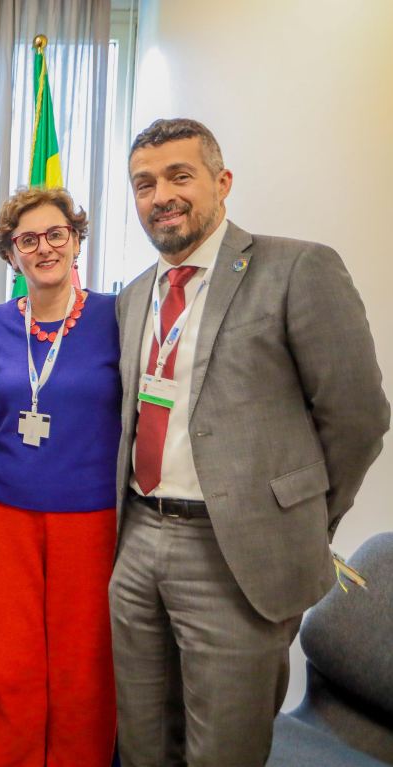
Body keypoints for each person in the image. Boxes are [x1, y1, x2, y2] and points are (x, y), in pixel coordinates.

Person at [111, 118, 389, 767]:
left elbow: (357, 417)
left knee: (224, 749)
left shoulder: (295, 268)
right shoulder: (134, 296)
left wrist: (299, 518)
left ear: (222, 181)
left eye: (180, 176)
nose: (161, 196)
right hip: (137, 540)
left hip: (235, 553)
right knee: (142, 741)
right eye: (144, 184)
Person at [0, 187, 120, 766]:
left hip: (93, 522)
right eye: (27, 240)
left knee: (86, 668)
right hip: (3, 520)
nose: (44, 248)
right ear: (11, 254)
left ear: (76, 241)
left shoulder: (117, 317)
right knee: (8, 665)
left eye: (56, 234)